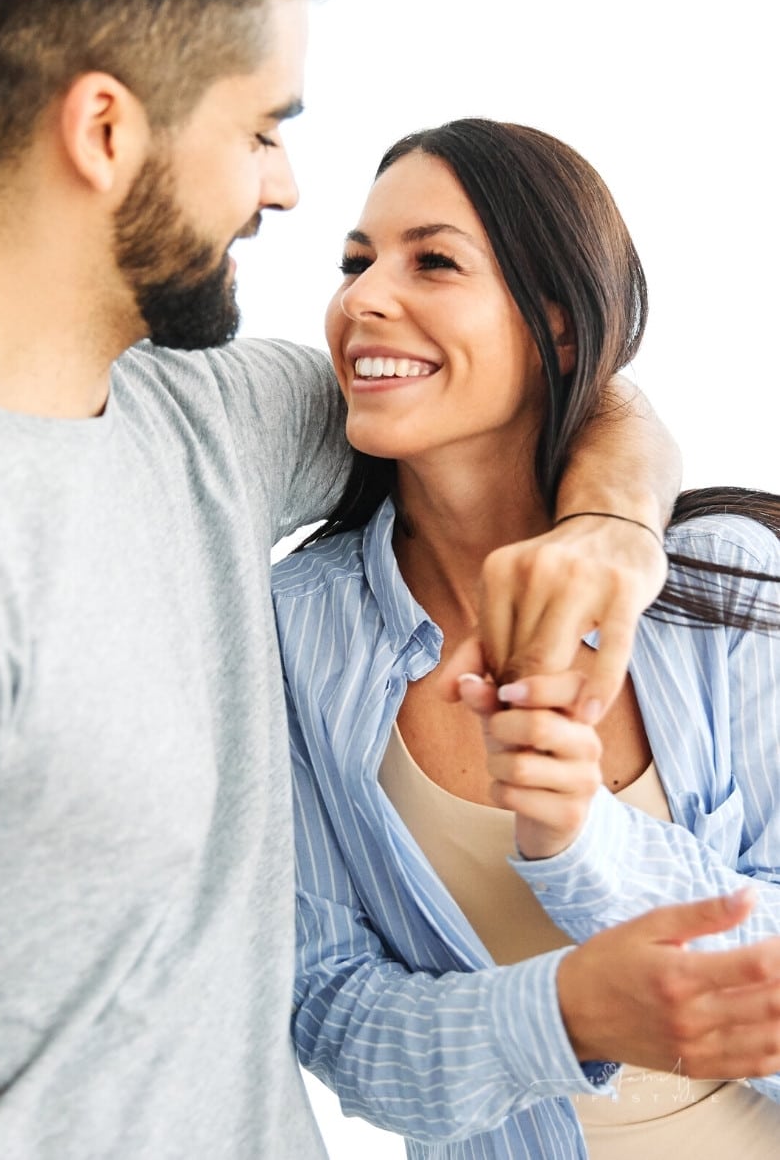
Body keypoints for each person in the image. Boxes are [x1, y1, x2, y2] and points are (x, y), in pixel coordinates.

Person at [0, 0, 685, 1157]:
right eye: (263, 128)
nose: (288, 186)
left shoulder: (206, 412)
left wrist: (611, 529)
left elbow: (559, 376)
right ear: (104, 129)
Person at [273, 118, 780, 1158]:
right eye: (356, 263)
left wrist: (588, 844)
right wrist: (565, 1015)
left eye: (434, 262)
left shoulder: (732, 587)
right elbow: (330, 1010)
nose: (363, 299)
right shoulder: (296, 632)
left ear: (554, 329)